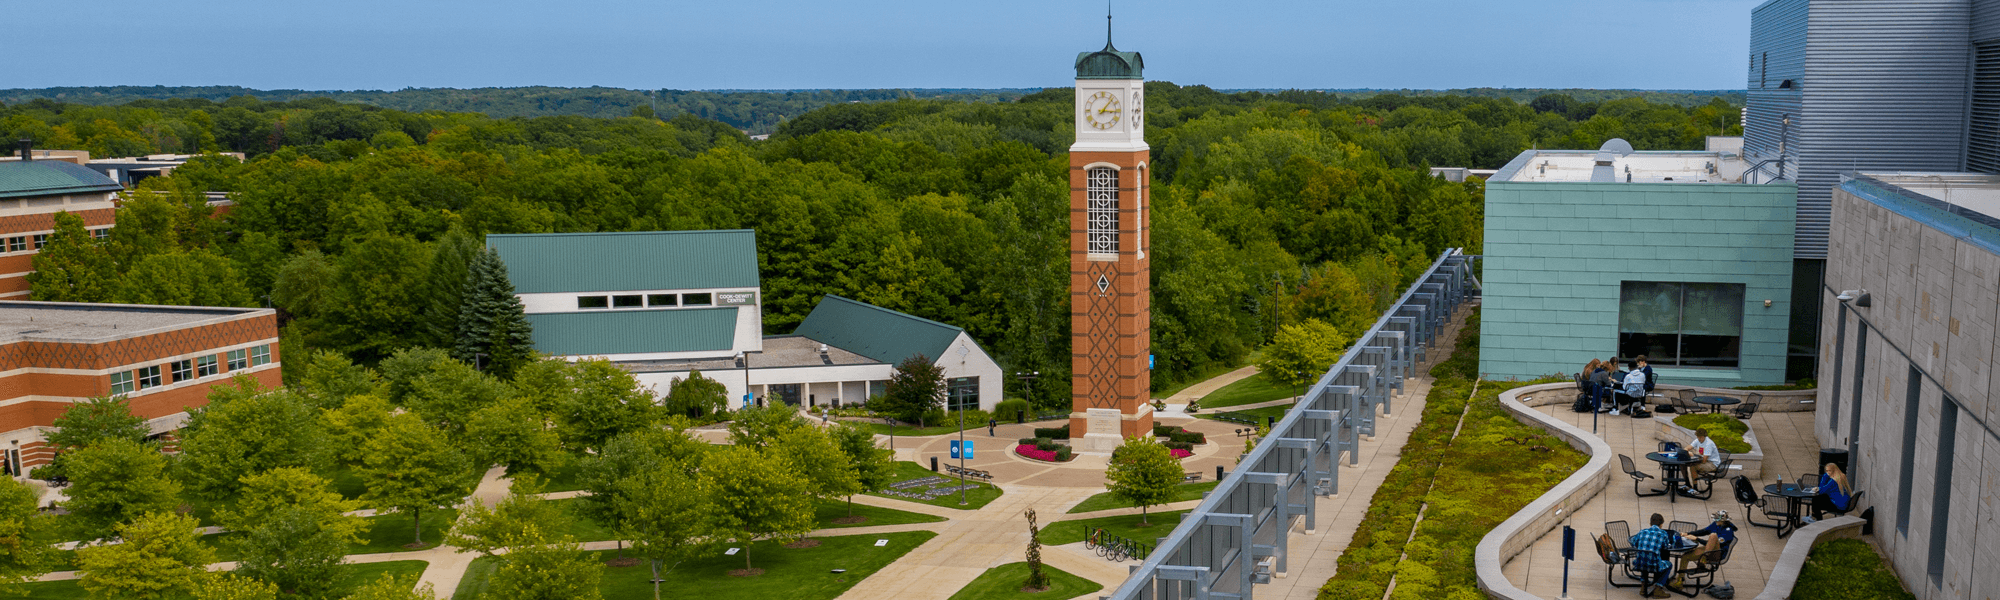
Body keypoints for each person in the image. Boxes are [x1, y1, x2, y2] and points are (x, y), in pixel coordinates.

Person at [1674, 511, 1738, 578]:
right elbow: (1704, 531)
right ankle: (1680, 580)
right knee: (1685, 557)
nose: (1715, 520)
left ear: (1723, 521)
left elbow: (1712, 544)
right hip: (1708, 549)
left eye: (1717, 519)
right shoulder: (1716, 524)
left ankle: (1703, 560)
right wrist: (1688, 533)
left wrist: (1696, 539)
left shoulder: (1728, 531)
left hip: (1717, 553)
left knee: (1713, 536)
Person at [1628, 513, 1677, 593]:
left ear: (1650, 523)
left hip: (1638, 564)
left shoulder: (1642, 531)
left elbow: (1634, 542)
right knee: (1669, 565)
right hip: (1654, 566)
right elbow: (1666, 546)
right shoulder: (1663, 534)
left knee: (1644, 556)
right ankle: (1658, 588)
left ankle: (1643, 586)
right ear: (1661, 524)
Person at [1682, 428, 1721, 493]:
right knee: (1683, 464)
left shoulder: (1709, 444)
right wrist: (1686, 451)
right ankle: (1687, 484)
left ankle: (1695, 488)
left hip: (1712, 464)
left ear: (1703, 436)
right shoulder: (1698, 440)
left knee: (1693, 467)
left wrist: (1693, 457)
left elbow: (1704, 460)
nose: (1698, 439)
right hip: (1704, 460)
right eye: (1697, 437)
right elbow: (1689, 446)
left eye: (1700, 437)